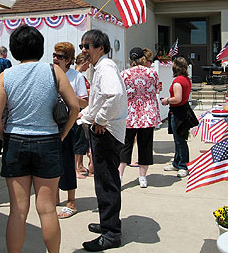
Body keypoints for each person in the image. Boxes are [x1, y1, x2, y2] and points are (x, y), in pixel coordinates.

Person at [0, 25, 79, 253]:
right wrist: (63, 133)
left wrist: (3, 134)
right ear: (40, 47)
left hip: (15, 140)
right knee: (47, 208)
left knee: (17, 210)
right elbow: (75, 106)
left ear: (14, 49)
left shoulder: (5, 76)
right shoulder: (53, 71)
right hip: (48, 141)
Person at [80, 29, 128, 251]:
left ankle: (111, 234)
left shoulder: (106, 67)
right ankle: (108, 223)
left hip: (106, 133)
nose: (83, 51)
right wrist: (85, 116)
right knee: (103, 180)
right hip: (103, 131)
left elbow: (115, 95)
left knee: (106, 182)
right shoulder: (100, 67)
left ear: (100, 47)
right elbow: (99, 99)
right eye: (82, 46)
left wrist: (99, 119)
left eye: (87, 46)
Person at [53, 42, 88, 218]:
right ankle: (55, 196)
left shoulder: (76, 77)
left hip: (68, 123)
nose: (55, 59)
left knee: (67, 162)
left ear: (68, 60)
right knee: (52, 162)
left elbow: (84, 102)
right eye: (54, 55)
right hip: (51, 123)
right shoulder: (49, 74)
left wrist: (68, 95)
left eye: (59, 56)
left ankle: (71, 201)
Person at [119, 47, 161, 188]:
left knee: (125, 145)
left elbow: (121, 92)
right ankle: (142, 177)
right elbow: (156, 90)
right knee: (145, 145)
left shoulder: (124, 74)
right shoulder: (152, 73)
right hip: (147, 113)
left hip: (129, 113)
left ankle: (119, 175)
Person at [161, 57, 198, 178]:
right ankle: (176, 163)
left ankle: (183, 165)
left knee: (180, 140)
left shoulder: (178, 81)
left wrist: (166, 100)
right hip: (183, 111)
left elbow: (177, 98)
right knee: (178, 139)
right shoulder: (186, 79)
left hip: (178, 113)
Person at [74, 53, 92, 178]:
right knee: (79, 140)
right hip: (80, 110)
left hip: (82, 110)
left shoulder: (76, 75)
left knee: (82, 140)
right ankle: (76, 167)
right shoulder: (79, 76)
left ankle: (80, 165)